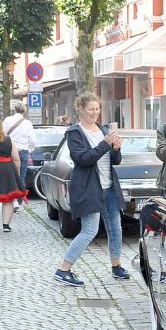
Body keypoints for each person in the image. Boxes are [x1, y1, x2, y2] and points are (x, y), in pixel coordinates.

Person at [54, 92, 129, 287]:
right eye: (91, 109)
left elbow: (116, 161)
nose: (95, 113)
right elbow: (83, 159)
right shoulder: (74, 133)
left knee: (115, 228)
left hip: (109, 186)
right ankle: (63, 269)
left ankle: (116, 266)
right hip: (89, 188)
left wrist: (117, 148)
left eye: (97, 109)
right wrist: (106, 144)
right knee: (89, 230)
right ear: (81, 109)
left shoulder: (103, 130)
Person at [2, 103, 35, 211]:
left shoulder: (7, 120)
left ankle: (10, 200)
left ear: (14, 110)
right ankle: (19, 203)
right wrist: (29, 148)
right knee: (21, 176)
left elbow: (2, 134)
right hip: (22, 151)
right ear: (24, 111)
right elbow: (32, 139)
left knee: (8, 176)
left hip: (9, 150)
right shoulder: (27, 123)